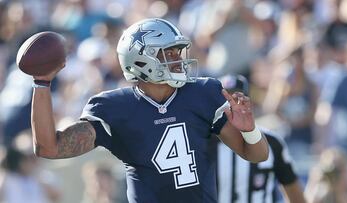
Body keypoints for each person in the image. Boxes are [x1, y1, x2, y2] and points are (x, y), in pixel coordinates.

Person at [30, 18, 269, 203]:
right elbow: (49, 148)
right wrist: (42, 83)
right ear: (140, 59)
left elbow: (257, 155)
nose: (178, 58)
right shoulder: (114, 108)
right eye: (169, 52)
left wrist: (249, 130)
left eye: (178, 51)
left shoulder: (204, 94)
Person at [217, 75, 306, 203]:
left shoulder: (272, 142)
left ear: (249, 102)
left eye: (236, 99)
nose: (231, 105)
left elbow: (292, 188)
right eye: (226, 99)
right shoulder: (204, 140)